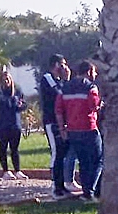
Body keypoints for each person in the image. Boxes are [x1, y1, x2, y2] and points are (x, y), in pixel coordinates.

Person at [55, 60, 103, 200]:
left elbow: (58, 110)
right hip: (89, 129)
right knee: (97, 161)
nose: (95, 74)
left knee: (83, 161)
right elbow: (94, 106)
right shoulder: (91, 87)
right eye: (94, 72)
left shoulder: (65, 88)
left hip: (72, 131)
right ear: (88, 72)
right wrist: (102, 105)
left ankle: (86, 191)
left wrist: (62, 129)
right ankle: (90, 192)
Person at [39, 54, 81, 198]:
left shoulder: (60, 81)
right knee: (56, 153)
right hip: (52, 123)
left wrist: (66, 80)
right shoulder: (48, 78)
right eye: (63, 64)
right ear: (56, 65)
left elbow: (67, 95)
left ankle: (62, 185)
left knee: (63, 153)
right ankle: (56, 187)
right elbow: (59, 94)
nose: (65, 67)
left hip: (63, 122)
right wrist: (65, 80)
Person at [0, 68, 27, 180]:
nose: (6, 81)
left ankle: (17, 170)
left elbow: (23, 105)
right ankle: (6, 171)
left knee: (15, 149)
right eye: (3, 79)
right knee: (3, 148)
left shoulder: (17, 92)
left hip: (15, 125)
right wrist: (14, 102)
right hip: (2, 125)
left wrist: (19, 104)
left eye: (7, 79)